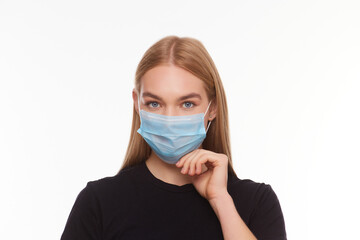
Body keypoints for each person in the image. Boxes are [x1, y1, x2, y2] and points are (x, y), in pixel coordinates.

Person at [60, 36, 287, 240]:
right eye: (154, 104)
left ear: (213, 108)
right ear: (137, 104)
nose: (169, 119)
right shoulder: (99, 202)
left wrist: (220, 200)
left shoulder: (256, 202)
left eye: (187, 104)